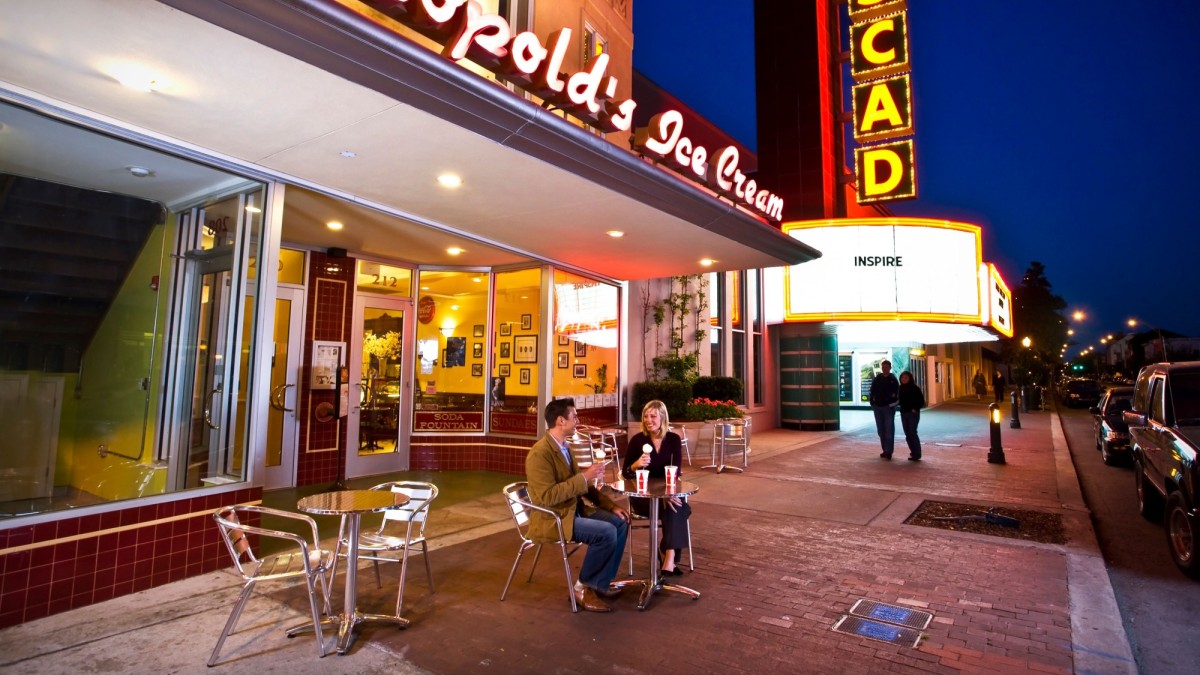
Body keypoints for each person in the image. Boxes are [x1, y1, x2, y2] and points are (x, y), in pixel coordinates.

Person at [525, 398, 629, 612]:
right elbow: (547, 496)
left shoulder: (565, 447)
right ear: (561, 421)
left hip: (574, 511)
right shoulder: (539, 454)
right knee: (606, 532)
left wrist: (611, 506)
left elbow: (585, 486)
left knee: (619, 522)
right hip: (553, 518)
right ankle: (582, 588)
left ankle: (600, 583)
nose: (578, 421)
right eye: (574, 417)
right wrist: (583, 477)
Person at [622, 400, 691, 576]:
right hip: (642, 497)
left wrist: (667, 494)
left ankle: (669, 556)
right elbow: (625, 473)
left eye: (653, 416)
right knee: (680, 507)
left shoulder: (673, 439)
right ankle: (669, 555)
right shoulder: (638, 441)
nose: (648, 420)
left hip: (667, 493)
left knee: (675, 504)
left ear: (662, 417)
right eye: (646, 416)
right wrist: (636, 465)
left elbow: (676, 471)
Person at [868, 360, 900, 459]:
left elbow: (896, 394)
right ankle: (885, 449)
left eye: (886, 367)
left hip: (888, 408)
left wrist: (891, 404)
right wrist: (872, 403)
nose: (884, 368)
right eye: (883, 367)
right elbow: (872, 391)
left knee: (889, 429)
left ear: (890, 368)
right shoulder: (877, 379)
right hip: (877, 407)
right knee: (881, 430)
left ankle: (888, 451)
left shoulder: (893, 380)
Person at [898, 371, 925, 461]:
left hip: (913, 413)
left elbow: (921, 401)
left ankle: (917, 453)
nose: (904, 379)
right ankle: (913, 452)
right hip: (904, 413)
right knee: (907, 433)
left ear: (910, 378)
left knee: (912, 432)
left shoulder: (915, 388)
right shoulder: (900, 388)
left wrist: (915, 408)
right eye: (902, 378)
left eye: (906, 378)